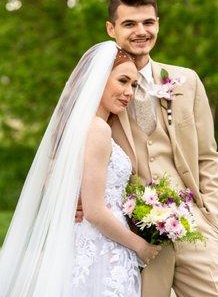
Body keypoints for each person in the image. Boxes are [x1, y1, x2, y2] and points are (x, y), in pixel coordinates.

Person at [77, 0, 218, 296]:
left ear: (157, 24)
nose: (141, 31)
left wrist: (210, 219)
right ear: (111, 29)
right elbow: (68, 147)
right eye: (130, 24)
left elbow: (208, 157)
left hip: (193, 228)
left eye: (148, 22)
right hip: (137, 234)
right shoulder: (98, 92)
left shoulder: (187, 81)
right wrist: (74, 196)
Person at [0, 41, 160, 297]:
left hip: (93, 243)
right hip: (102, 249)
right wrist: (142, 247)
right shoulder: (98, 129)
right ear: (98, 80)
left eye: (133, 84)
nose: (128, 92)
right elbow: (95, 212)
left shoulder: (81, 127)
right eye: (122, 81)